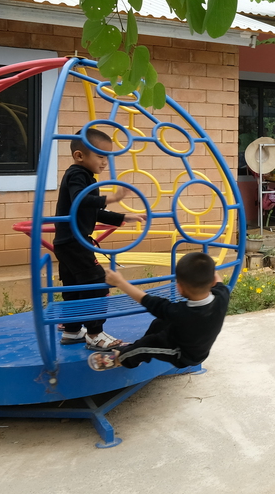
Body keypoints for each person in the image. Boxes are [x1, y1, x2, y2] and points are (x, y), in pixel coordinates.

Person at [54, 128, 137, 351]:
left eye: (107, 157)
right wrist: (112, 198)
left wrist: (122, 217)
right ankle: (94, 334)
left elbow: (91, 210)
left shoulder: (86, 177)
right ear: (79, 155)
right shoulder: (78, 175)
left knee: (74, 287)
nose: (104, 162)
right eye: (100, 156)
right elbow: (81, 200)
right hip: (75, 242)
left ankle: (72, 330)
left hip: (67, 242)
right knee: (97, 282)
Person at [88, 252, 229, 371]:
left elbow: (146, 300)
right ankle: (134, 350)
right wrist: (206, 266)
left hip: (182, 353)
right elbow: (216, 277)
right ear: (212, 282)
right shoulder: (222, 294)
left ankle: (121, 359)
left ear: (179, 288)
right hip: (188, 335)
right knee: (159, 323)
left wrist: (120, 282)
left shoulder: (179, 313)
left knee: (146, 346)